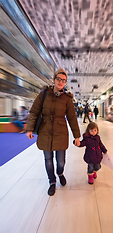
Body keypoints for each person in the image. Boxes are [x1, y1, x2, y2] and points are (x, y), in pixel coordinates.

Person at [26, 68, 81, 196]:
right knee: (48, 160)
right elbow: (34, 112)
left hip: (61, 132)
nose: (60, 82)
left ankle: (60, 173)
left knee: (60, 161)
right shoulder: (44, 94)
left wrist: (77, 136)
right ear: (54, 79)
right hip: (45, 131)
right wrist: (29, 128)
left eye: (63, 80)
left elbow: (72, 118)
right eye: (58, 79)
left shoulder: (67, 99)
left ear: (65, 82)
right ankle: (52, 181)